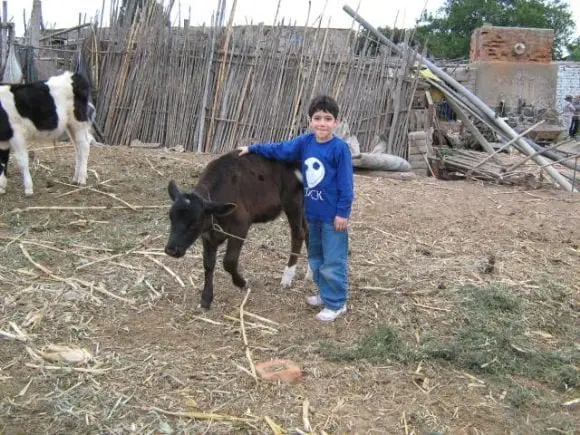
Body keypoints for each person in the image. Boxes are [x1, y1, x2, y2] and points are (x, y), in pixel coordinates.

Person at [238, 95, 354, 322]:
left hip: (333, 217)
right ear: (310, 120)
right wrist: (252, 148)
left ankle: (337, 303)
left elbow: (346, 185)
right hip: (312, 214)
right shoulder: (305, 143)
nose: (322, 123)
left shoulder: (340, 150)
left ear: (336, 122)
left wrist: (343, 213)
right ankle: (325, 294)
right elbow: (280, 150)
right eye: (317, 118)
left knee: (333, 259)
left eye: (327, 119)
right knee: (316, 257)